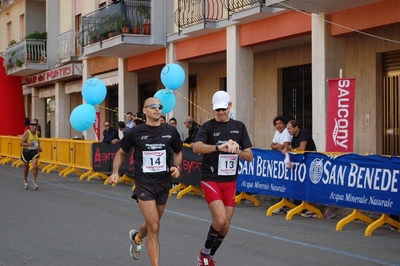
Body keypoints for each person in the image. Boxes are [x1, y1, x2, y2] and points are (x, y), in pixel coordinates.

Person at [108, 97, 182, 266]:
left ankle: (137, 237)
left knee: (151, 225)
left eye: (160, 107)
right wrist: (115, 172)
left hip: (163, 183)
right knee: (154, 227)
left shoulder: (170, 131)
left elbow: (178, 152)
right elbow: (121, 153)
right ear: (145, 110)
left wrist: (177, 167)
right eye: (153, 106)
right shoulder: (135, 132)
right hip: (144, 184)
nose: (157, 109)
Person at [192, 91, 253, 266]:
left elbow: (249, 155)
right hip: (211, 179)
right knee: (220, 220)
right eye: (217, 109)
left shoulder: (239, 126)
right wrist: (219, 147)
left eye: (224, 108)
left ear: (230, 105)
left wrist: (237, 150)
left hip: (230, 181)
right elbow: (196, 147)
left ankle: (208, 255)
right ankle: (203, 254)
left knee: (226, 225)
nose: (221, 112)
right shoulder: (207, 127)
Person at [285, 120, 317, 217]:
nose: (288, 130)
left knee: (311, 185)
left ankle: (314, 209)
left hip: (311, 162)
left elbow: (302, 148)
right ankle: (304, 205)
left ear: (296, 127)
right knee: (302, 184)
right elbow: (292, 146)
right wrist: (286, 148)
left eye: (290, 128)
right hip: (302, 163)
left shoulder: (303, 132)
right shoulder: (294, 136)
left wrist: (292, 149)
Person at [270, 115, 292, 214]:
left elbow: (285, 146)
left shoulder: (287, 132)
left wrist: (277, 146)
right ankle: (282, 203)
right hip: (280, 161)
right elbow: (272, 145)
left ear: (284, 124)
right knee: (282, 181)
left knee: (288, 182)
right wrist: (275, 147)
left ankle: (286, 204)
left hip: (288, 161)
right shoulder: (276, 132)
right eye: (277, 124)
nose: (278, 126)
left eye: (280, 123)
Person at [20, 120, 42, 190]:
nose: (34, 128)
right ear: (30, 126)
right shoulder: (27, 133)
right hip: (26, 152)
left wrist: (39, 147)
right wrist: (28, 144)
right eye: (33, 126)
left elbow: (37, 141)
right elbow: (21, 143)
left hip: (34, 152)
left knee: (35, 166)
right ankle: (25, 182)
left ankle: (34, 182)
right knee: (26, 168)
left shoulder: (37, 133)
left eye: (35, 126)